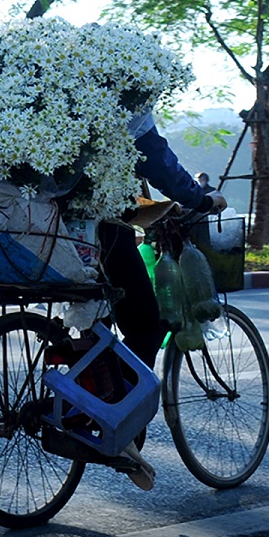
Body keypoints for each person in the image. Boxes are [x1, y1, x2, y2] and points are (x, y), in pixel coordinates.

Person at [96, 108, 227, 491]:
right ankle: (121, 428)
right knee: (145, 327)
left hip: (48, 227)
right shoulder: (124, 95)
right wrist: (201, 200)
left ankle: (95, 400)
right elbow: (156, 158)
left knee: (97, 325)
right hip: (103, 228)